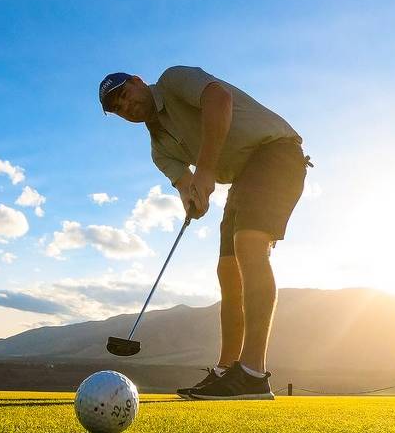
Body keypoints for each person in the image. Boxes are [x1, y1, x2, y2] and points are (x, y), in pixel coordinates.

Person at [99, 67, 311, 400]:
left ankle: (254, 373)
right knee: (227, 270)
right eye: (118, 108)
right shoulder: (160, 149)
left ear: (139, 82)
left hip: (276, 152)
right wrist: (193, 200)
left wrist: (206, 170)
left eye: (125, 95)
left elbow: (219, 98)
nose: (126, 106)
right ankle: (228, 370)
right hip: (243, 178)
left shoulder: (173, 80)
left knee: (249, 245)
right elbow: (187, 188)